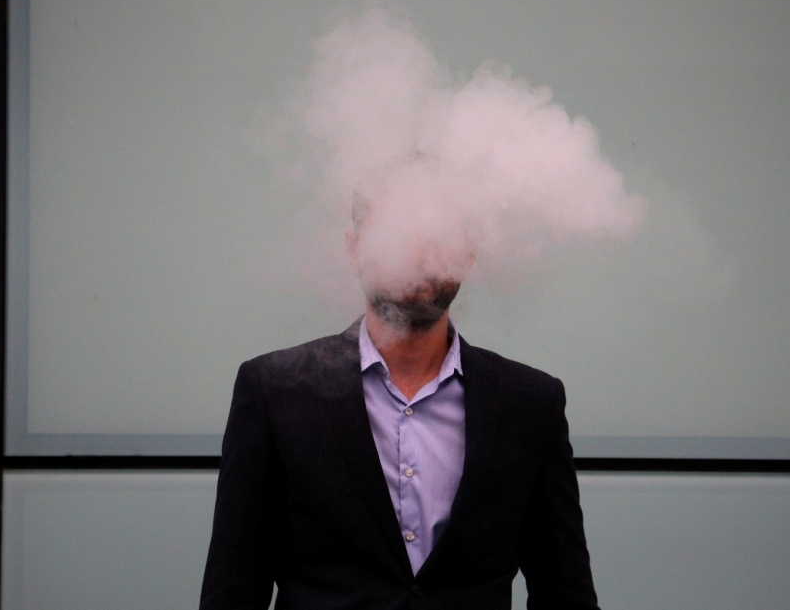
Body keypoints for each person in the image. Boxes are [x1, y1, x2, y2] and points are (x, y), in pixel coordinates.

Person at [200, 174, 601, 609]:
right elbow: (233, 591)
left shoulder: (531, 402)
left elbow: (566, 594)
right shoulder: (274, 390)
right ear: (353, 250)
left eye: (437, 236)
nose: (415, 253)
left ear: (467, 255)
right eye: (395, 230)